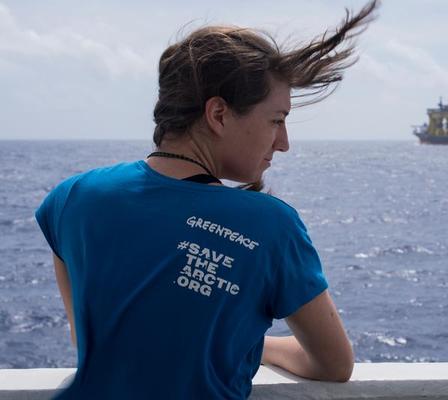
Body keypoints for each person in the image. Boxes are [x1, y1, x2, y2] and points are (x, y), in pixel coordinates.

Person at [35, 1, 379, 398]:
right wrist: (256, 345)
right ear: (218, 114)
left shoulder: (71, 198)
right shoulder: (271, 226)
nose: (284, 143)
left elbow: (87, 336)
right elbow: (333, 363)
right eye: (276, 120)